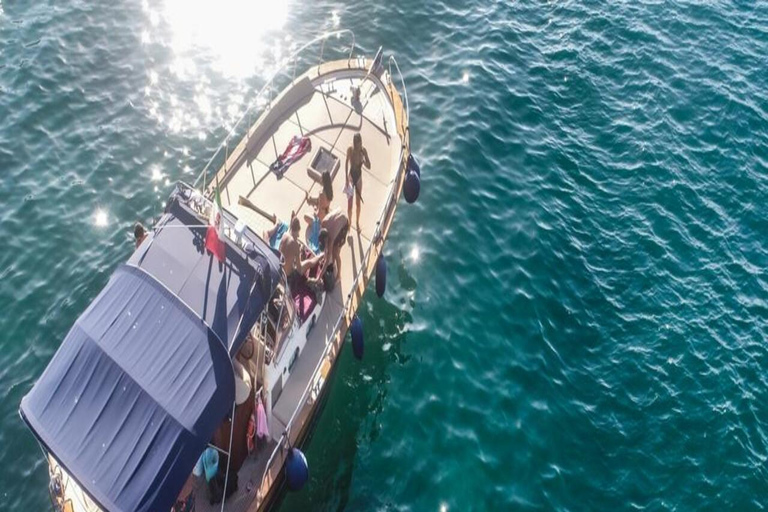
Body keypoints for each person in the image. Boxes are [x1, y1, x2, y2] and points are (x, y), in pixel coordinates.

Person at [345, 133, 370, 230]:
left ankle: (357, 222)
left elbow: (369, 166)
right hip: (351, 177)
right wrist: (346, 178)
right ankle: (349, 222)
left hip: (358, 178)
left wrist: (364, 161)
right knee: (349, 205)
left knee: (358, 203)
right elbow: (346, 162)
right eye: (356, 145)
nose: (358, 147)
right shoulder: (350, 150)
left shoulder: (363, 151)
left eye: (359, 144)